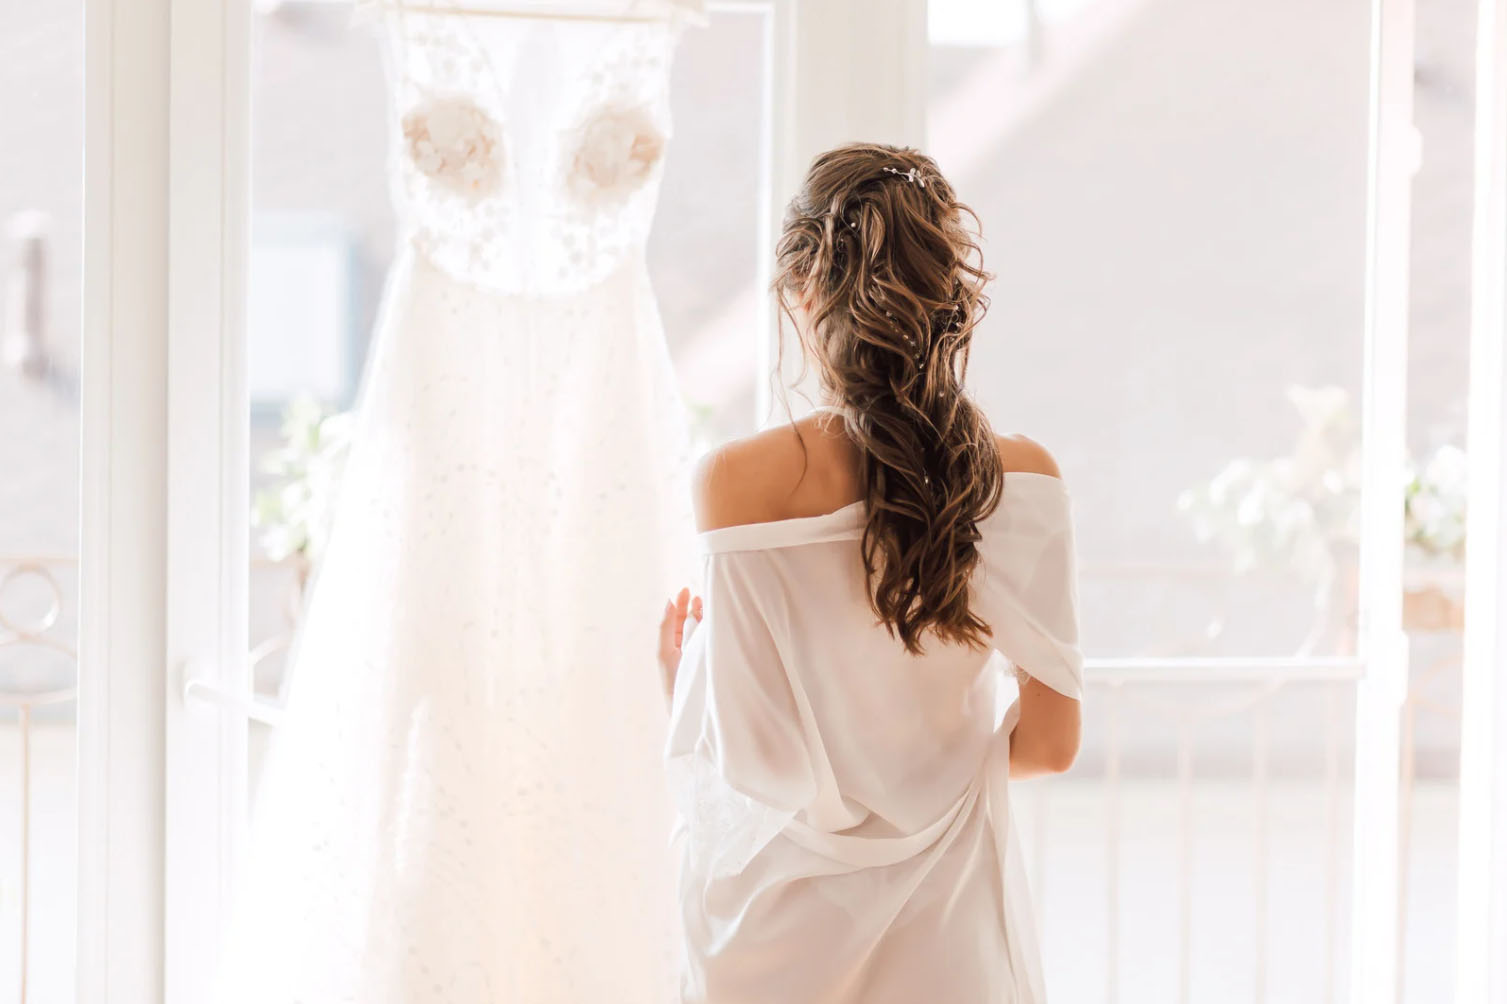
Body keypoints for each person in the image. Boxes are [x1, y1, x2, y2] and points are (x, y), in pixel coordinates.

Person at [657, 143, 1084, 1003]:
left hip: (774, 941)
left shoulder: (735, 481)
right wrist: (931, 779)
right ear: (944, 299)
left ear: (803, 292)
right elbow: (1049, 745)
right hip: (951, 931)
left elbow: (753, 762)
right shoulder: (1022, 480)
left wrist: (685, 674)